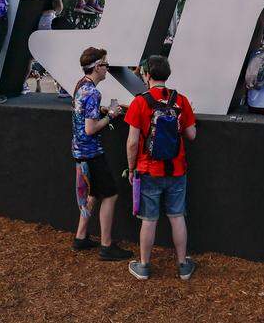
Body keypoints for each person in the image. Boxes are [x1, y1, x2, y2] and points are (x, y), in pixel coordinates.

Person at [124, 55, 199, 280]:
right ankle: (183, 265)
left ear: (147, 75)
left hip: (148, 170)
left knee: (149, 219)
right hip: (177, 169)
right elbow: (192, 135)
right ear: (167, 74)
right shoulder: (181, 100)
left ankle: (144, 265)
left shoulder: (139, 102)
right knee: (177, 216)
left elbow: (132, 143)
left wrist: (132, 168)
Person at [70, 47, 134, 262]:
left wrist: (103, 111)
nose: (107, 68)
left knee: (92, 192)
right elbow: (90, 128)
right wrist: (112, 115)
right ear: (97, 67)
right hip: (91, 152)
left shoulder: (81, 85)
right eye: (105, 64)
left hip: (80, 151)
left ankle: (81, 236)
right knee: (110, 194)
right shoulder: (93, 92)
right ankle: (106, 245)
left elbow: (83, 114)